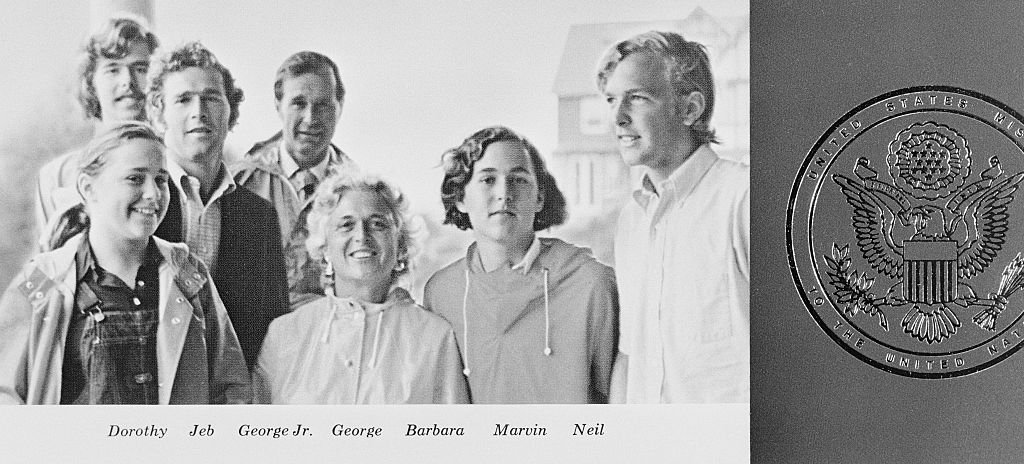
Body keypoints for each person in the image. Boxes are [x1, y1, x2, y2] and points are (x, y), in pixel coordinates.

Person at [0, 122, 251, 404]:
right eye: (135, 179)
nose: (154, 194)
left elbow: (232, 389)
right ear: (88, 187)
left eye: (160, 179)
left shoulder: (189, 273)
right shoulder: (41, 280)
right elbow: (6, 398)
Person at [598, 31, 749, 403]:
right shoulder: (632, 220)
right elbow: (629, 357)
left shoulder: (742, 198)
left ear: (689, 109)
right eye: (612, 100)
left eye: (636, 98)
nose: (618, 117)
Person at [424, 126, 619, 404]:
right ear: (460, 198)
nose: (504, 193)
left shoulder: (592, 284)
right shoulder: (442, 294)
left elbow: (616, 400)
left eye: (518, 179)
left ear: (539, 198)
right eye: (488, 179)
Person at [253, 171, 468, 404]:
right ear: (325, 247)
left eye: (378, 224)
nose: (361, 236)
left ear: (401, 245)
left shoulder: (435, 336)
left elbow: (453, 434)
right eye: (346, 225)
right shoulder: (285, 334)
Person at [146, 42, 289, 369]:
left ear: (231, 112)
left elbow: (274, 328)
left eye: (211, 97)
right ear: (158, 113)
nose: (199, 111)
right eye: (183, 100)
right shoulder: (138, 201)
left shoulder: (259, 216)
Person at [232, 51, 357, 309]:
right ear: (278, 105)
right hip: (254, 335)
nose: (311, 119)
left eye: (323, 105)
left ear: (340, 107)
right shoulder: (239, 182)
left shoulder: (357, 191)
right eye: (299, 103)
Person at [34, 17, 159, 245]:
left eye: (140, 69)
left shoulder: (172, 167)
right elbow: (48, 265)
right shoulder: (57, 176)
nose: (128, 82)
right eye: (112, 70)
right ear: (91, 83)